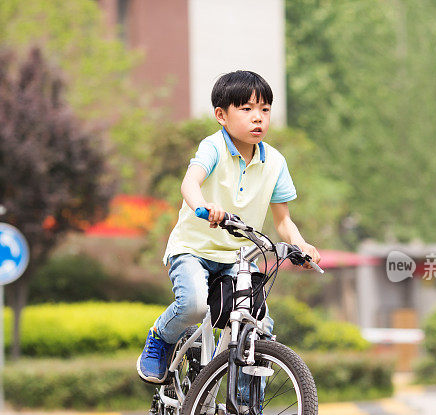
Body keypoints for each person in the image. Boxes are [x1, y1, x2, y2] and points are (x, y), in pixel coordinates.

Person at [137, 70, 321, 391]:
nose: (258, 118)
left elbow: (283, 221)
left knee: (259, 327)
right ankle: (160, 338)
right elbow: (189, 182)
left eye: (264, 109)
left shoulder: (275, 162)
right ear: (222, 115)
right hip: (192, 249)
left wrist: (301, 245)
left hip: (238, 258)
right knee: (194, 304)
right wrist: (202, 208)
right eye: (246, 109)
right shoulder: (213, 147)